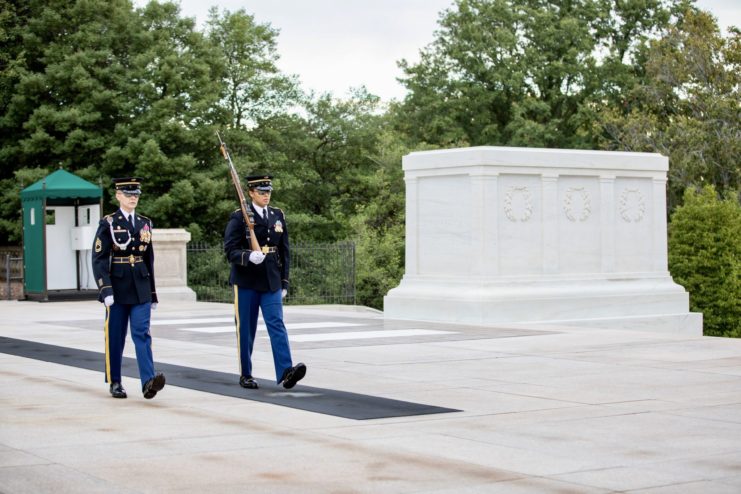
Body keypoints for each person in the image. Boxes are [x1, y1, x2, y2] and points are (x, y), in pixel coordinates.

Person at [224, 174, 306, 390]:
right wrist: (247, 256)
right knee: (246, 329)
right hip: (247, 280)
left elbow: (285, 251)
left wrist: (285, 282)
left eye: (268, 191)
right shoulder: (239, 217)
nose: (266, 195)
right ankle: (246, 373)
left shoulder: (278, 215)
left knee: (277, 324)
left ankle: (286, 371)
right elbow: (230, 250)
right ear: (251, 193)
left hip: (271, 279)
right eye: (261, 192)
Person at [91, 177, 165, 400]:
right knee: (115, 336)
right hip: (118, 287)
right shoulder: (109, 223)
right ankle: (115, 381)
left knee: (142, 334)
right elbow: (99, 258)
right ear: (118, 196)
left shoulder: (145, 223)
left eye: (136, 194)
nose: (133, 197)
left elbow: (148, 259)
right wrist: (105, 290)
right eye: (128, 193)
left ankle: (148, 382)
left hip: (141, 286)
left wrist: (152, 293)